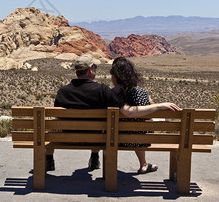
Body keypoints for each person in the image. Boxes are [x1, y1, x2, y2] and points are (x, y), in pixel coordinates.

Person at [48, 55, 180, 172]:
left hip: (67, 139)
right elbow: (128, 112)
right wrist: (159, 106)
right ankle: (95, 156)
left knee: (52, 126)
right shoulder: (102, 90)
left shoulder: (62, 91)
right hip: (96, 140)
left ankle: (48, 159)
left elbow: (58, 117)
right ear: (90, 69)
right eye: (95, 67)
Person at [110, 56, 179, 174]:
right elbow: (148, 113)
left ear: (114, 77)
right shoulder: (142, 93)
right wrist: (158, 105)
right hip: (140, 140)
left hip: (114, 139)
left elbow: (128, 111)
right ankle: (144, 164)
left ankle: (143, 164)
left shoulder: (110, 94)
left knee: (131, 130)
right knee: (138, 129)